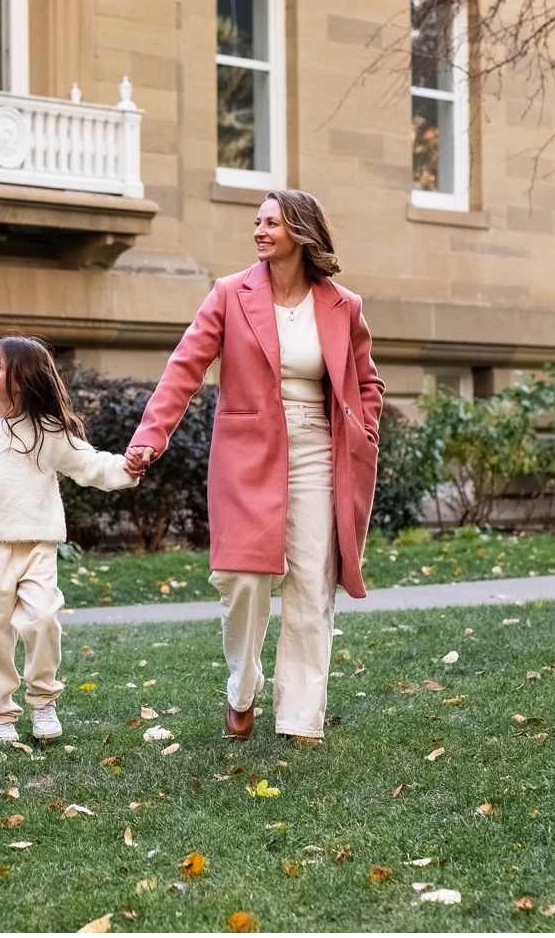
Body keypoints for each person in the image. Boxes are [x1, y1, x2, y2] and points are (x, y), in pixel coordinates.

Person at [125, 190, 382, 746]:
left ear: (300, 232)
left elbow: (367, 382)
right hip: (248, 451)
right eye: (257, 222)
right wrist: (151, 436)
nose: (260, 231)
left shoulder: (344, 305)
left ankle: (300, 717)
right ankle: (243, 686)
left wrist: (366, 429)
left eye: (272, 222)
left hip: (319, 445)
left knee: (312, 581)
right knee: (242, 578)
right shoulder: (228, 295)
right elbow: (183, 369)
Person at [0, 336, 138, 745]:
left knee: (43, 620)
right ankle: (0, 713)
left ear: (22, 380)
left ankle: (43, 700)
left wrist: (127, 469)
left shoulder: (49, 430)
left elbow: (90, 464)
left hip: (38, 545)